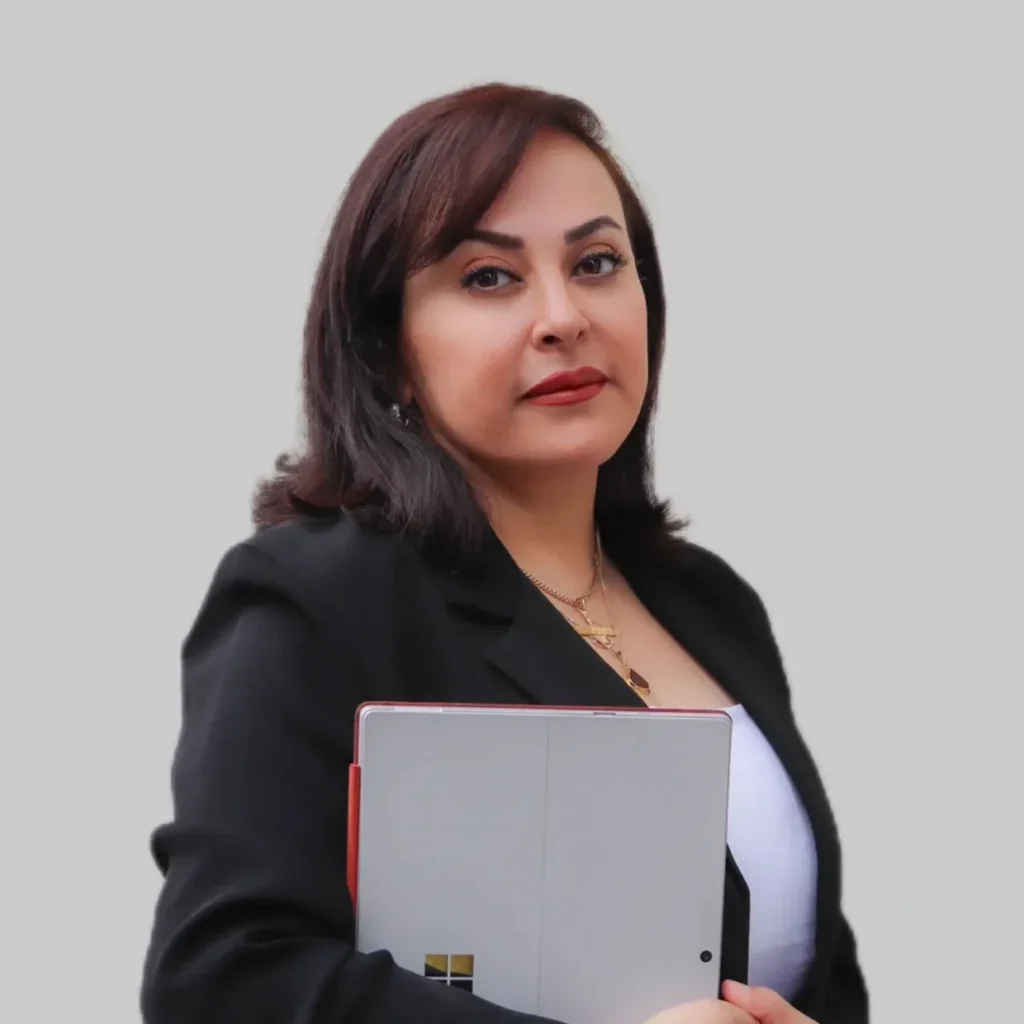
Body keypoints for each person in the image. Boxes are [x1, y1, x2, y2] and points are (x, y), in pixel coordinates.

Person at [140, 83, 869, 1024]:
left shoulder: (713, 604)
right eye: (490, 277)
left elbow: (817, 969)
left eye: (598, 263)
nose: (564, 316)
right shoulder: (314, 599)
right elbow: (223, 981)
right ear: (391, 350)